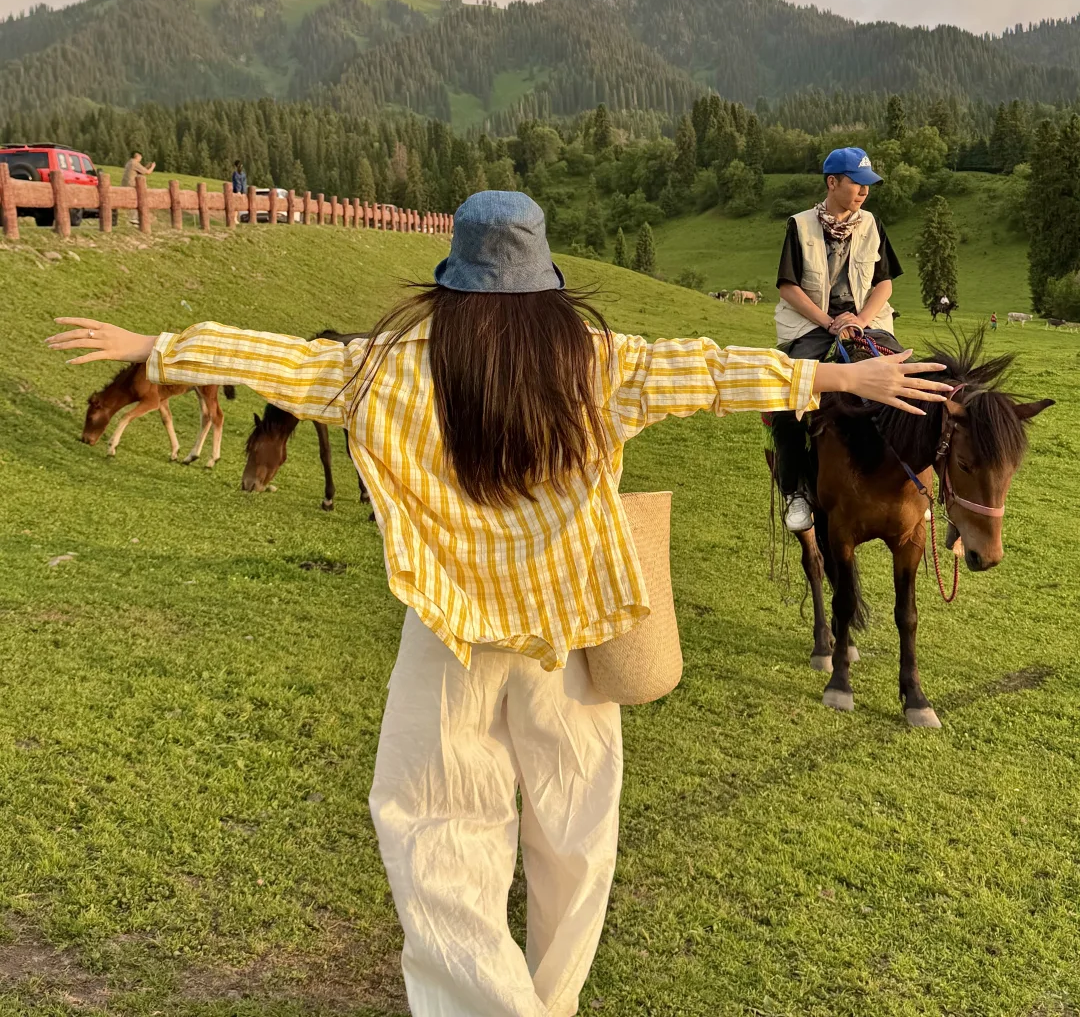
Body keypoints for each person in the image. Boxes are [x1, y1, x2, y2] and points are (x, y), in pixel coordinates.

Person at [47, 192, 947, 1017]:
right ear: (545, 282)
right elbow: (707, 372)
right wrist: (841, 381)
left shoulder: (389, 367)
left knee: (434, 829)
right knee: (576, 832)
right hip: (572, 633)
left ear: (452, 283)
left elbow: (284, 359)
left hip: (447, 632)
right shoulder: (597, 362)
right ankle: (547, 1003)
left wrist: (156, 347)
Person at [770, 146, 904, 533]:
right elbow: (788, 287)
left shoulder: (872, 224)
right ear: (832, 182)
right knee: (789, 397)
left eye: (868, 185)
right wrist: (830, 323)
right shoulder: (800, 226)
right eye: (857, 183)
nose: (864, 191)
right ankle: (795, 490)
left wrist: (859, 321)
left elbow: (884, 284)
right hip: (812, 322)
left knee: (906, 383)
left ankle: (913, 486)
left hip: (865, 319)